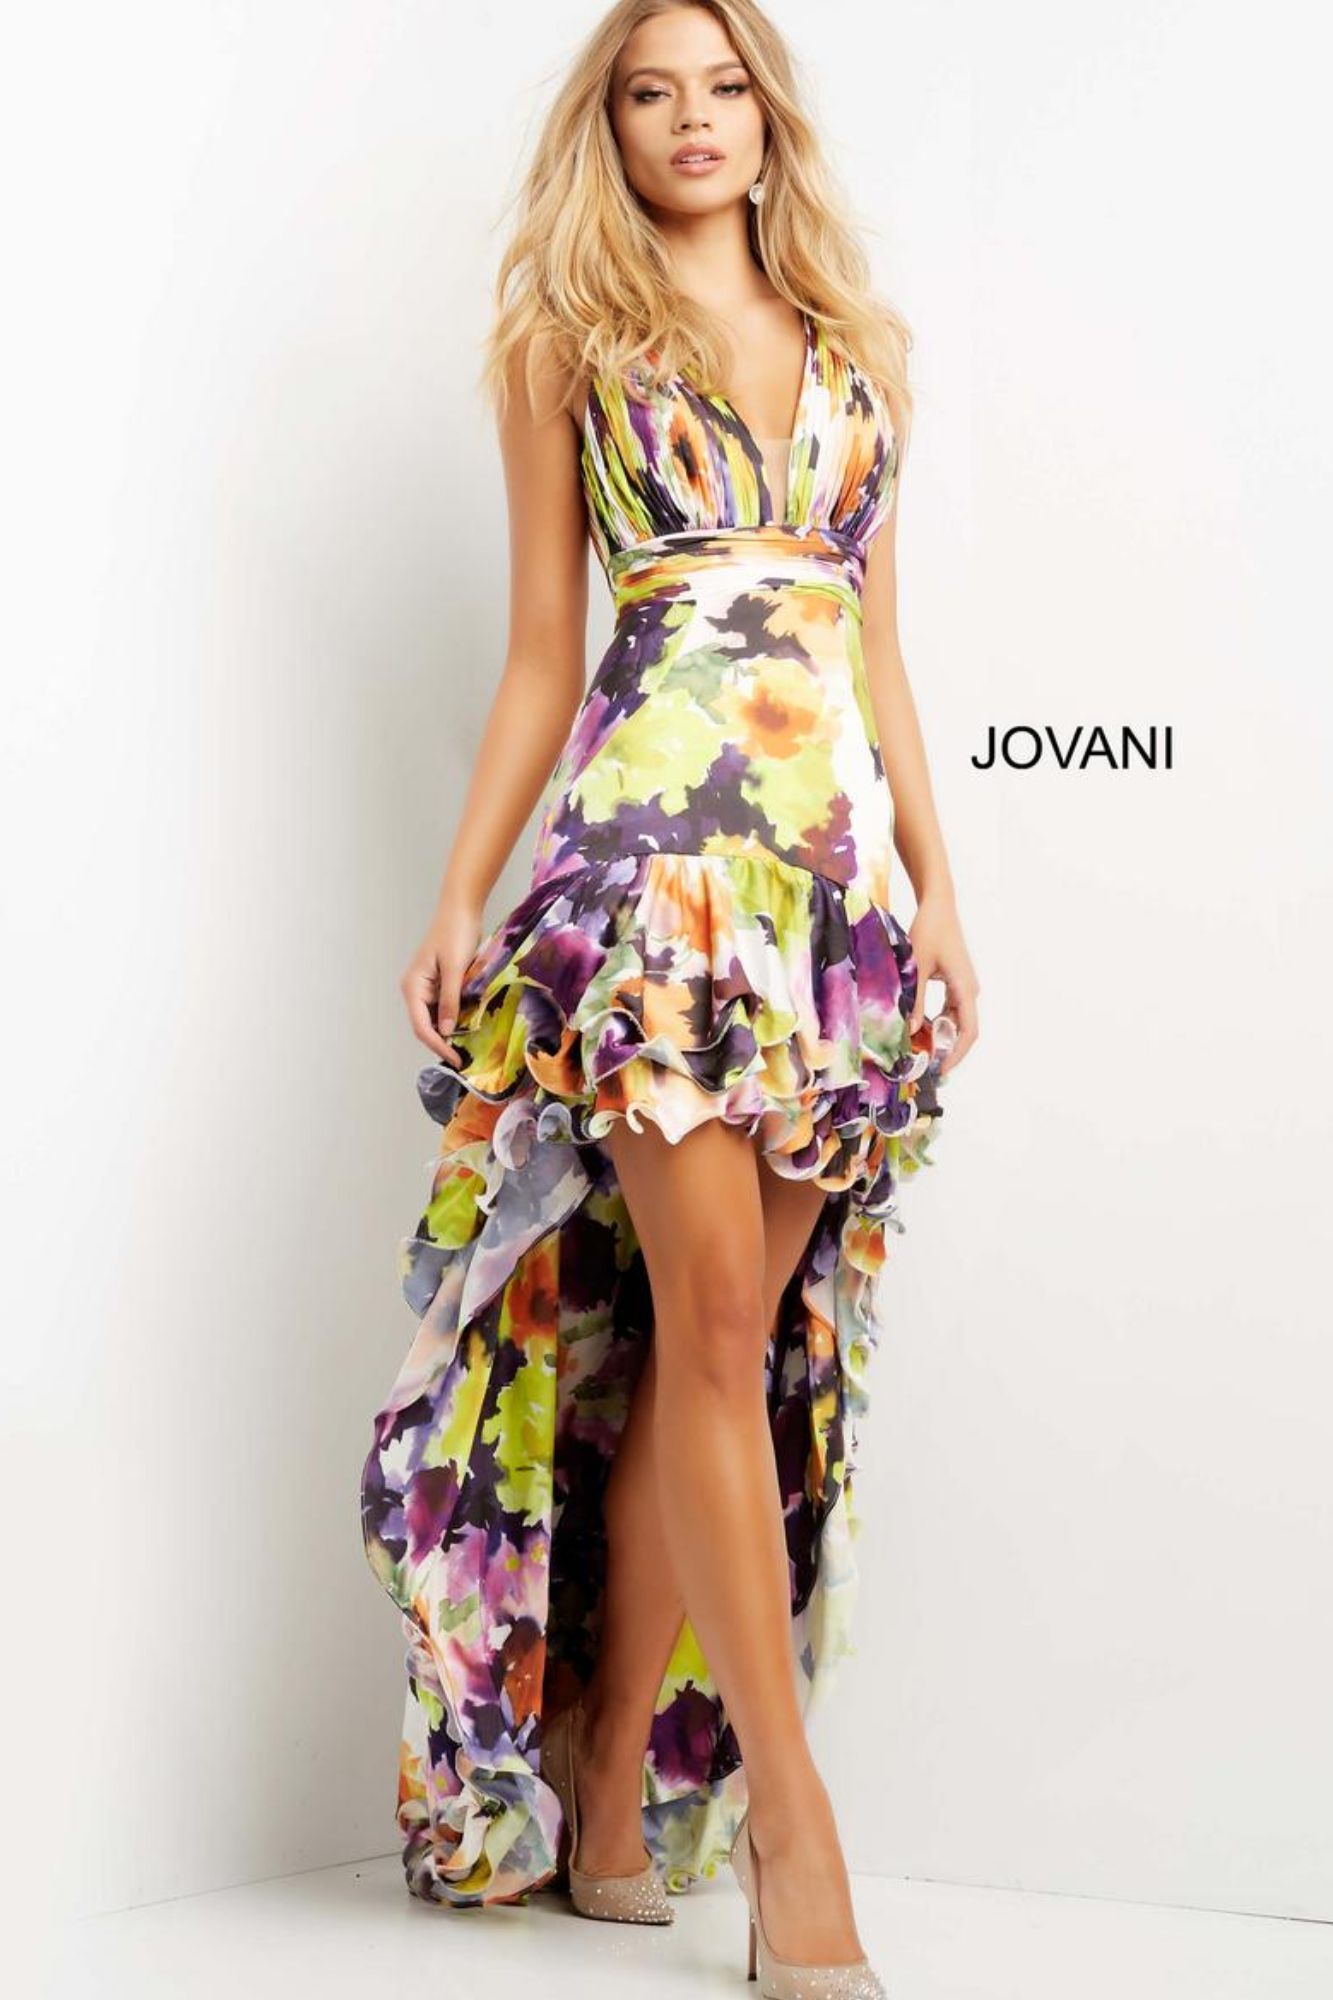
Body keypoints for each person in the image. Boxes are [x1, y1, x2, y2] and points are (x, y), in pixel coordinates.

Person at [360, 1, 979, 1991]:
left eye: (722, 88)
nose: (692, 121)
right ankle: (795, 1842)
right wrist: (462, 891)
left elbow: (878, 659)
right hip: (648, 888)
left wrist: (939, 895)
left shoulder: (864, 351)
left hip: (829, 910)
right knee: (706, 1330)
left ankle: (608, 1773)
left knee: (715, 1349)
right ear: (611, 128)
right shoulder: (567, 342)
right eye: (651, 93)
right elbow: (543, 652)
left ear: (766, 118)